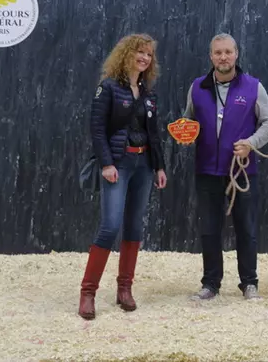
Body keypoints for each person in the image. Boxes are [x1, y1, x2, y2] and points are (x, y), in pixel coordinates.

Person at [79, 33, 168, 320]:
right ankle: (88, 293)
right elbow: (97, 129)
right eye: (139, 52)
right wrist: (106, 163)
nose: (144, 58)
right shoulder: (107, 88)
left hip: (143, 164)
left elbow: (154, 135)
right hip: (118, 164)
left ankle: (124, 290)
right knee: (110, 226)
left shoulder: (148, 94)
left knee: (134, 228)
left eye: (148, 54)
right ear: (125, 54)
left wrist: (159, 167)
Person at [182, 33, 268, 300]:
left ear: (236, 54)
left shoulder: (254, 87)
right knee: (209, 229)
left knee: (246, 228)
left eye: (228, 52)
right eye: (217, 53)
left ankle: (249, 282)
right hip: (207, 171)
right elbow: (188, 121)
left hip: (241, 172)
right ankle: (210, 284)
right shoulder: (196, 87)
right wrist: (186, 136)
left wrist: (250, 142)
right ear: (211, 56)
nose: (223, 57)